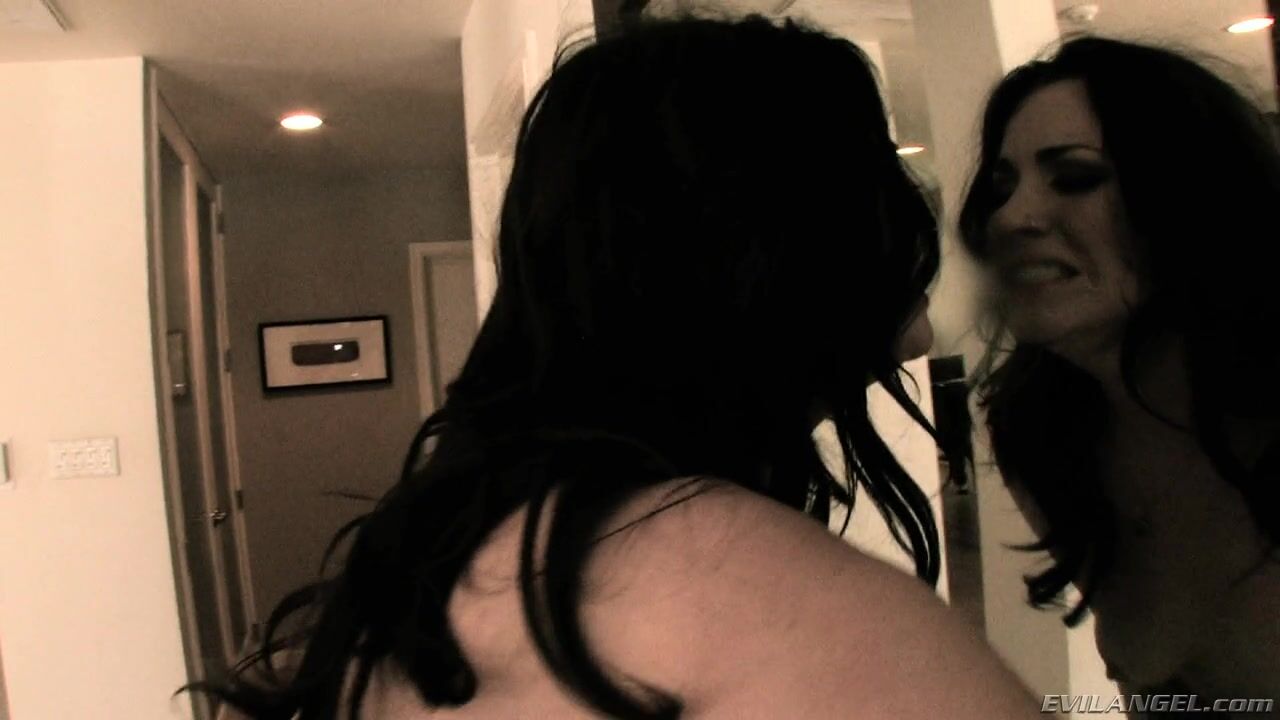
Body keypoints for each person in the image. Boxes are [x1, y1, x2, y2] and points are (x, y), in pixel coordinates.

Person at [205, 16, 1039, 719]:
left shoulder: (437, 565)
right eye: (871, 194)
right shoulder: (786, 612)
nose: (918, 337)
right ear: (778, 254)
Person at [960, 36, 1280, 708]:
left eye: (1076, 177)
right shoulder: (1045, 441)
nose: (1011, 217)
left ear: (1191, 200)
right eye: (1002, 186)